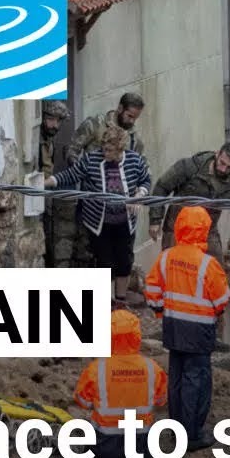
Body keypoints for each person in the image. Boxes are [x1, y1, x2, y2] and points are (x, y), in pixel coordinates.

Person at [143, 206, 230, 450]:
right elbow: (222, 299)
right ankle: (191, 435)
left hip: (173, 327)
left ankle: (176, 430)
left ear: (179, 227)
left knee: (177, 378)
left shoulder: (166, 257)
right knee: (197, 380)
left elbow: (151, 290)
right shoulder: (207, 264)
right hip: (199, 330)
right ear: (204, 230)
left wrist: (161, 311)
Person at [72, 308, 168, 458]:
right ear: (136, 336)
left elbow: (82, 400)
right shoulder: (152, 368)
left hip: (105, 442)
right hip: (139, 441)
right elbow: (161, 401)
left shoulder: (97, 368)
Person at [46, 125, 152, 304]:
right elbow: (71, 175)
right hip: (99, 222)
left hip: (125, 221)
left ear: (120, 149)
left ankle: (120, 301)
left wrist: (139, 195)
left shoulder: (135, 160)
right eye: (104, 148)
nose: (105, 153)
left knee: (124, 262)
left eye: (110, 150)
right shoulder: (91, 160)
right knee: (105, 263)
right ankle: (104, 302)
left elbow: (146, 180)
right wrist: (46, 182)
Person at [149, 143, 230, 258]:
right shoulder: (189, 167)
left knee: (216, 269)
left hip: (208, 232)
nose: (223, 169)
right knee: (174, 267)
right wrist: (155, 220)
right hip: (177, 228)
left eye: (229, 167)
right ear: (217, 154)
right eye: (222, 163)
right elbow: (162, 187)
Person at [66, 92, 146, 165]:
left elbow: (143, 164)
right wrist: (79, 172)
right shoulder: (96, 124)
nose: (132, 121)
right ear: (120, 108)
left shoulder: (134, 137)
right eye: (129, 116)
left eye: (135, 118)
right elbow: (71, 149)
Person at [38, 100, 69, 267]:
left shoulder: (49, 139)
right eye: (51, 119)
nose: (55, 125)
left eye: (58, 121)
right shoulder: (36, 139)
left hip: (46, 193)